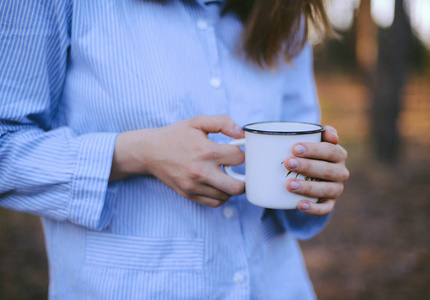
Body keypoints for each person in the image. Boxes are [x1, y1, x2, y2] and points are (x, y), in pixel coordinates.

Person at [0, 0, 349, 299]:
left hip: (278, 285)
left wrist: (314, 188)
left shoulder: (282, 9)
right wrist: (137, 153)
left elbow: (299, 164)